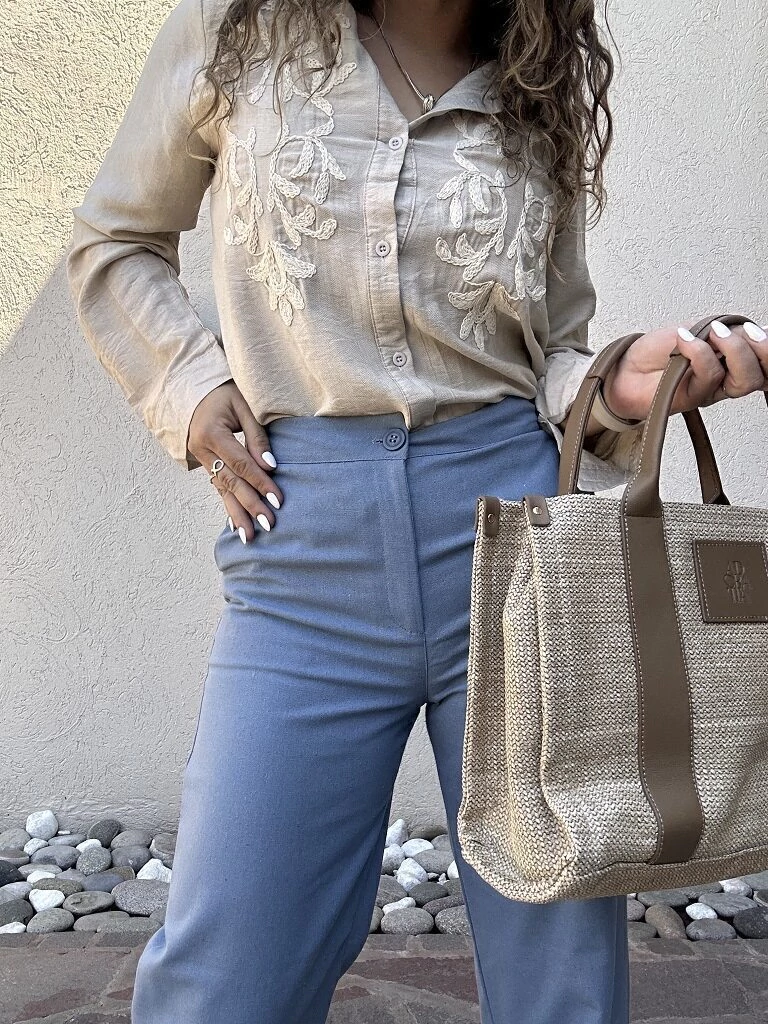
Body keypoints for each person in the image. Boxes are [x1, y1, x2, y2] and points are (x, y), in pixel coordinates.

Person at [65, 0, 767, 1020]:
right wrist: (189, 386)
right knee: (226, 976)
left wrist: (622, 385)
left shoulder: (534, 80)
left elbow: (550, 358)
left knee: (560, 979)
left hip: (516, 554)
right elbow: (116, 239)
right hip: (303, 547)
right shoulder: (235, 31)